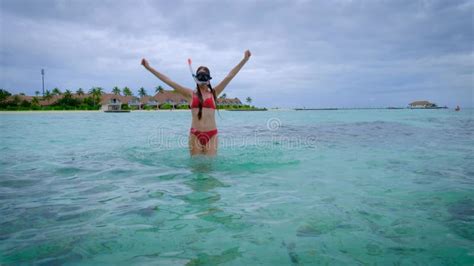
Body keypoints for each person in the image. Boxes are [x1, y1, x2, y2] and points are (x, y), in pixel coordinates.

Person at [141, 50, 251, 156]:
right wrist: (149, 68)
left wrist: (244, 59)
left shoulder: (214, 93)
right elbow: (169, 81)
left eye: (205, 76)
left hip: (212, 134)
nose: (203, 78)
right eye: (200, 76)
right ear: (196, 77)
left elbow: (229, 76)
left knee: (209, 168)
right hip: (195, 134)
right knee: (196, 169)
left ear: (209, 79)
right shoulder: (190, 94)